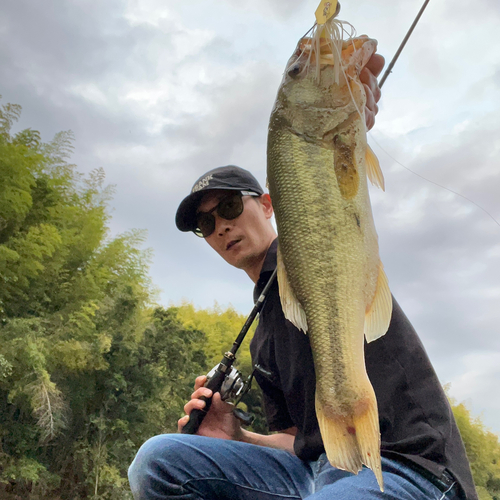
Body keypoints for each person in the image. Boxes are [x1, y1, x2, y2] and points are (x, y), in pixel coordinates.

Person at [128, 54, 478, 500]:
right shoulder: (263, 340)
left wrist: (352, 107)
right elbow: (301, 443)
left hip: (408, 468)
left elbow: (329, 179)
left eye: (231, 208)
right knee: (157, 462)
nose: (221, 227)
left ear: (269, 204)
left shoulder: (313, 250)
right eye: (206, 225)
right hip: (318, 472)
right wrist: (239, 437)